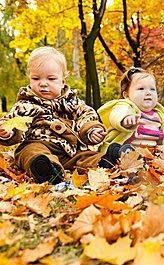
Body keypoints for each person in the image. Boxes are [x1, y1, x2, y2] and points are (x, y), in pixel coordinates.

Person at [0, 46, 112, 184]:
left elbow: (86, 115)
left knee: (85, 157)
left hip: (69, 150)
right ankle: (47, 171)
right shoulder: (26, 104)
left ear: (63, 81)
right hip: (37, 144)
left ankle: (109, 160)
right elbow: (14, 121)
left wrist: (91, 130)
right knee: (31, 153)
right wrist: (7, 131)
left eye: (51, 79)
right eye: (35, 78)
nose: (43, 84)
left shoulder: (72, 102)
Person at [97, 67, 164, 154]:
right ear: (126, 95)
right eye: (141, 89)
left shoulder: (159, 115)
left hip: (150, 154)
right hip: (127, 151)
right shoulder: (125, 106)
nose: (148, 92)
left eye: (152, 89)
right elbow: (116, 114)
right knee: (116, 151)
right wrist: (125, 119)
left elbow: (163, 138)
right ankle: (114, 155)